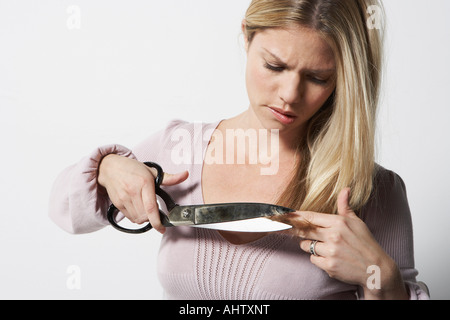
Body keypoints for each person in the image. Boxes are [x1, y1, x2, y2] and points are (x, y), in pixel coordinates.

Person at [49, 0, 429, 299]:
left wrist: (381, 281)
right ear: (246, 37)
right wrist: (108, 168)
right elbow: (63, 212)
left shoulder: (371, 190)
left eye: (317, 77)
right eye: (274, 65)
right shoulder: (179, 149)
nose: (289, 95)